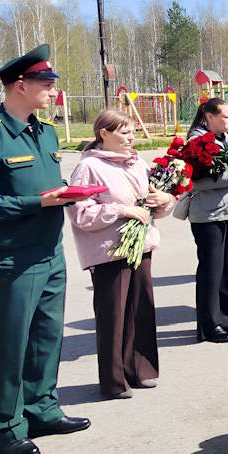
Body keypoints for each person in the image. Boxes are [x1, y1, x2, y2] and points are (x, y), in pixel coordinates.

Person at [0, 44, 95, 454]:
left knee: (47, 338)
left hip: (50, 252)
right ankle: (6, 425)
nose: (53, 91)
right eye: (46, 83)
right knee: (11, 345)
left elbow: (46, 183)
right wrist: (37, 203)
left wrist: (67, 194)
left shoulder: (45, 132)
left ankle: (42, 409)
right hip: (12, 258)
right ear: (19, 86)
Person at [66, 109, 173, 398]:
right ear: (104, 133)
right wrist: (122, 210)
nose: (131, 138)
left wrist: (164, 200)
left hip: (141, 246)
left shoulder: (137, 163)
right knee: (113, 316)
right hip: (109, 252)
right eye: (124, 132)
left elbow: (153, 204)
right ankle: (114, 381)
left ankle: (140, 369)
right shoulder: (89, 167)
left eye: (133, 132)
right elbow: (80, 213)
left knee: (141, 309)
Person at [186, 98, 228, 343]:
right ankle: (208, 325)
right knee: (211, 270)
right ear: (209, 117)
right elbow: (195, 182)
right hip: (209, 215)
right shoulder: (196, 142)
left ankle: (226, 317)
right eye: (225, 116)